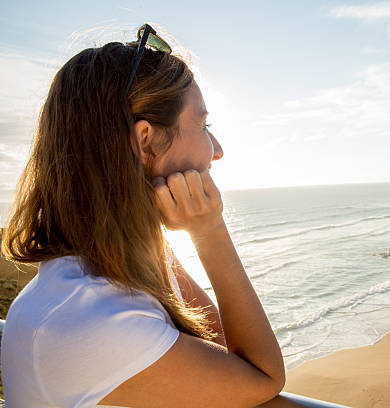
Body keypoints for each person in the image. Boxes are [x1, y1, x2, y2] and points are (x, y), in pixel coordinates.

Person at [0, 24, 286, 407]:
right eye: (203, 125)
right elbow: (261, 376)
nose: (217, 150)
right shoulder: (95, 320)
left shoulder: (100, 271)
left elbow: (216, 350)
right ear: (145, 140)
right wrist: (210, 232)